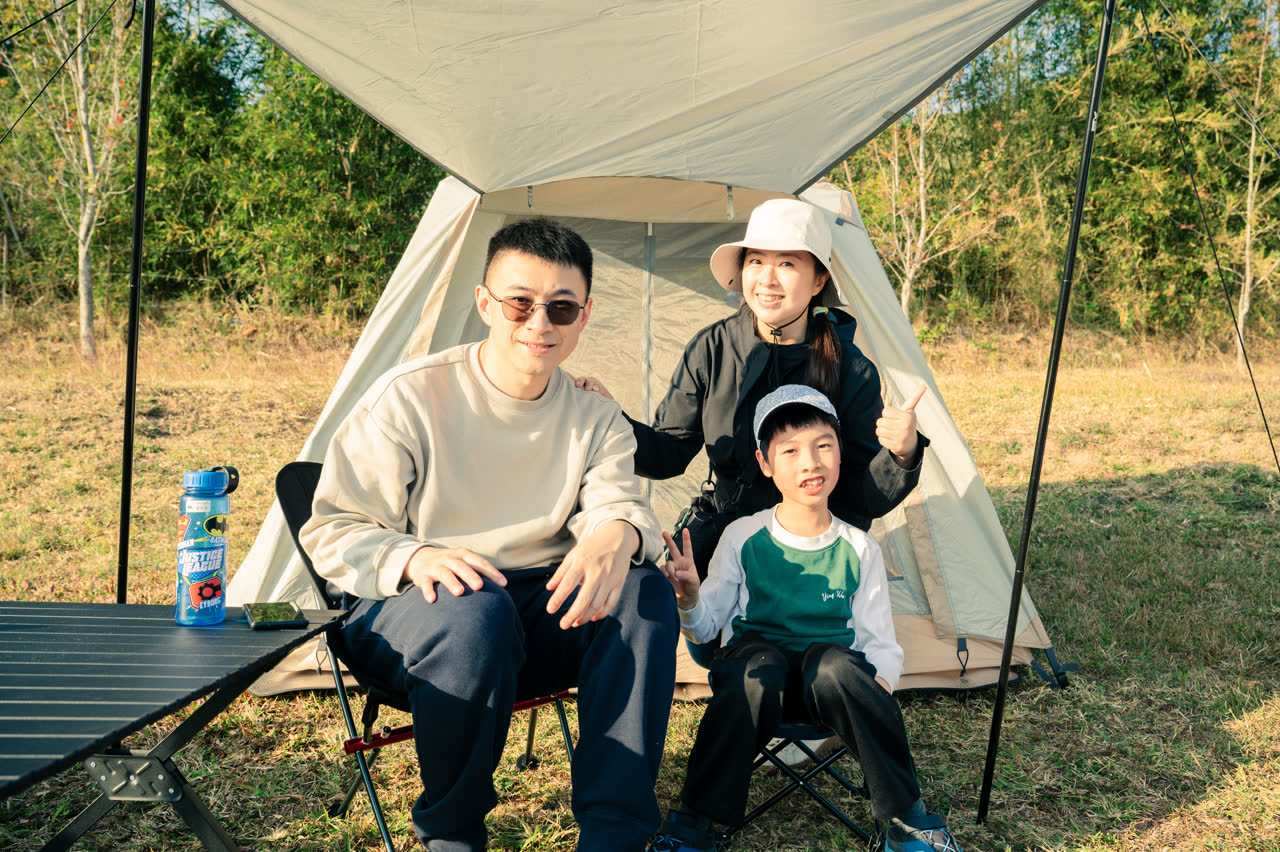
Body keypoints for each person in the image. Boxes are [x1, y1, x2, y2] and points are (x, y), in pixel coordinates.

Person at [299, 217, 680, 852]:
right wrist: (414, 555)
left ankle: (614, 835)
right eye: (519, 303)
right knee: (475, 608)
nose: (539, 323)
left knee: (642, 595)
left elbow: (619, 503)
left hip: (538, 606)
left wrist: (617, 531)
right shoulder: (409, 398)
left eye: (561, 308)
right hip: (415, 610)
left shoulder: (596, 417)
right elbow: (333, 529)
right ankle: (452, 835)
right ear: (484, 303)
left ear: (584, 316)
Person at [646, 385, 964, 852]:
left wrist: (872, 699)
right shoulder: (743, 535)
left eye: (823, 446)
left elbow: (880, 645)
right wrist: (690, 598)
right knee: (757, 667)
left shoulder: (859, 548)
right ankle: (693, 827)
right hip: (755, 686)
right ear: (765, 463)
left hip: (826, 693)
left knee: (837, 666)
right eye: (790, 451)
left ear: (840, 454)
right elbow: (706, 628)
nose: (810, 463)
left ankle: (907, 822)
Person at [575, 197, 928, 580]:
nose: (767, 279)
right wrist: (612, 418)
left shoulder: (851, 368)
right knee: (656, 593)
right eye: (756, 261)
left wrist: (902, 453)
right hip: (727, 538)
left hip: (815, 556)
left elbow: (864, 498)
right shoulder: (713, 348)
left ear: (819, 280)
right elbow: (668, 455)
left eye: (787, 263)